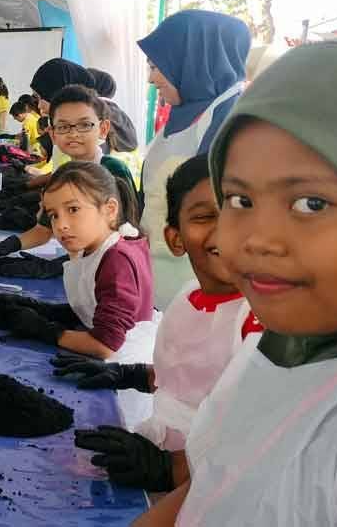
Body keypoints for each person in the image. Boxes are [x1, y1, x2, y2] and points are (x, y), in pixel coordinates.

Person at [134, 39, 337, 527]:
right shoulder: (273, 344)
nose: (256, 240)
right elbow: (215, 483)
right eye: (240, 200)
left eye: (310, 203)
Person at [59, 154, 262, 492]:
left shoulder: (257, 322)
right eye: (205, 216)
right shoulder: (187, 299)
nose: (226, 229)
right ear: (175, 239)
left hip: (207, 483)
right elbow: (189, 377)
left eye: (243, 211)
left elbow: (258, 437)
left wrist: (170, 469)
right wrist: (132, 375)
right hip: (161, 449)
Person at [11, 161, 155, 427]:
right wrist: (41, 309)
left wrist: (45, 330)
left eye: (73, 210)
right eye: (54, 215)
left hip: (121, 377)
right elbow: (96, 305)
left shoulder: (117, 259)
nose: (61, 225)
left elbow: (105, 344)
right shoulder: (94, 248)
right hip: (109, 362)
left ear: (109, 210)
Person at [136, 10, 250, 311]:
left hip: (202, 292)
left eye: (157, 66)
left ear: (194, 58)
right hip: (162, 281)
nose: (152, 78)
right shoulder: (184, 112)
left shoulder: (231, 117)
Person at [0, 85, 139, 270]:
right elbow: (43, 231)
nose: (73, 133)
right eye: (63, 127)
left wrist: (57, 266)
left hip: (114, 271)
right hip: (80, 270)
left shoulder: (113, 171)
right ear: (53, 135)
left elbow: (126, 235)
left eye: (84, 125)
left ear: (103, 129)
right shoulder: (63, 178)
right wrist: (8, 246)